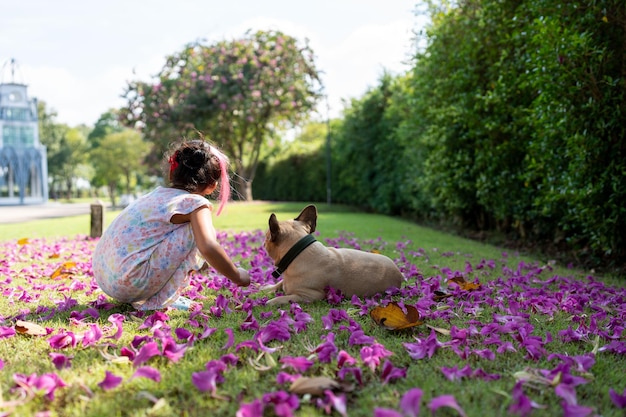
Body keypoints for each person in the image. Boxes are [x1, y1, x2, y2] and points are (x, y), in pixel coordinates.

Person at [92, 138, 250, 310]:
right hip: (130, 282)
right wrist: (237, 276)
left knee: (196, 228)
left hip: (105, 277)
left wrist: (202, 263)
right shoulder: (195, 203)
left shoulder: (155, 196)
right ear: (212, 185)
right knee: (196, 229)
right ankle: (159, 301)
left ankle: (151, 296)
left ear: (171, 173)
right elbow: (208, 246)